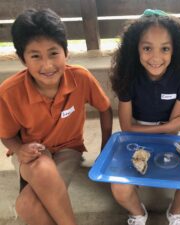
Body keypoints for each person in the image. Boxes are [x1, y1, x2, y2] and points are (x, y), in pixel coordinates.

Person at [0, 8, 113, 225]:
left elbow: (105, 108)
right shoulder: (9, 92)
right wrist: (19, 150)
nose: (47, 65)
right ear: (22, 59)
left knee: (27, 204)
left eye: (54, 53)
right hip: (31, 152)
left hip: (67, 149)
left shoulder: (81, 77)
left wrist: (105, 149)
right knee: (37, 175)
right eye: (35, 56)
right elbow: (6, 135)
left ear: (66, 52)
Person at [110, 9, 180, 225]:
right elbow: (126, 127)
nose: (156, 58)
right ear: (136, 49)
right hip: (135, 137)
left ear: (175, 50)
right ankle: (138, 214)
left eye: (165, 48)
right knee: (120, 188)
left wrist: (167, 128)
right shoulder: (127, 75)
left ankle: (176, 213)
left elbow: (173, 131)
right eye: (147, 48)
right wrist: (164, 127)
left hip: (169, 138)